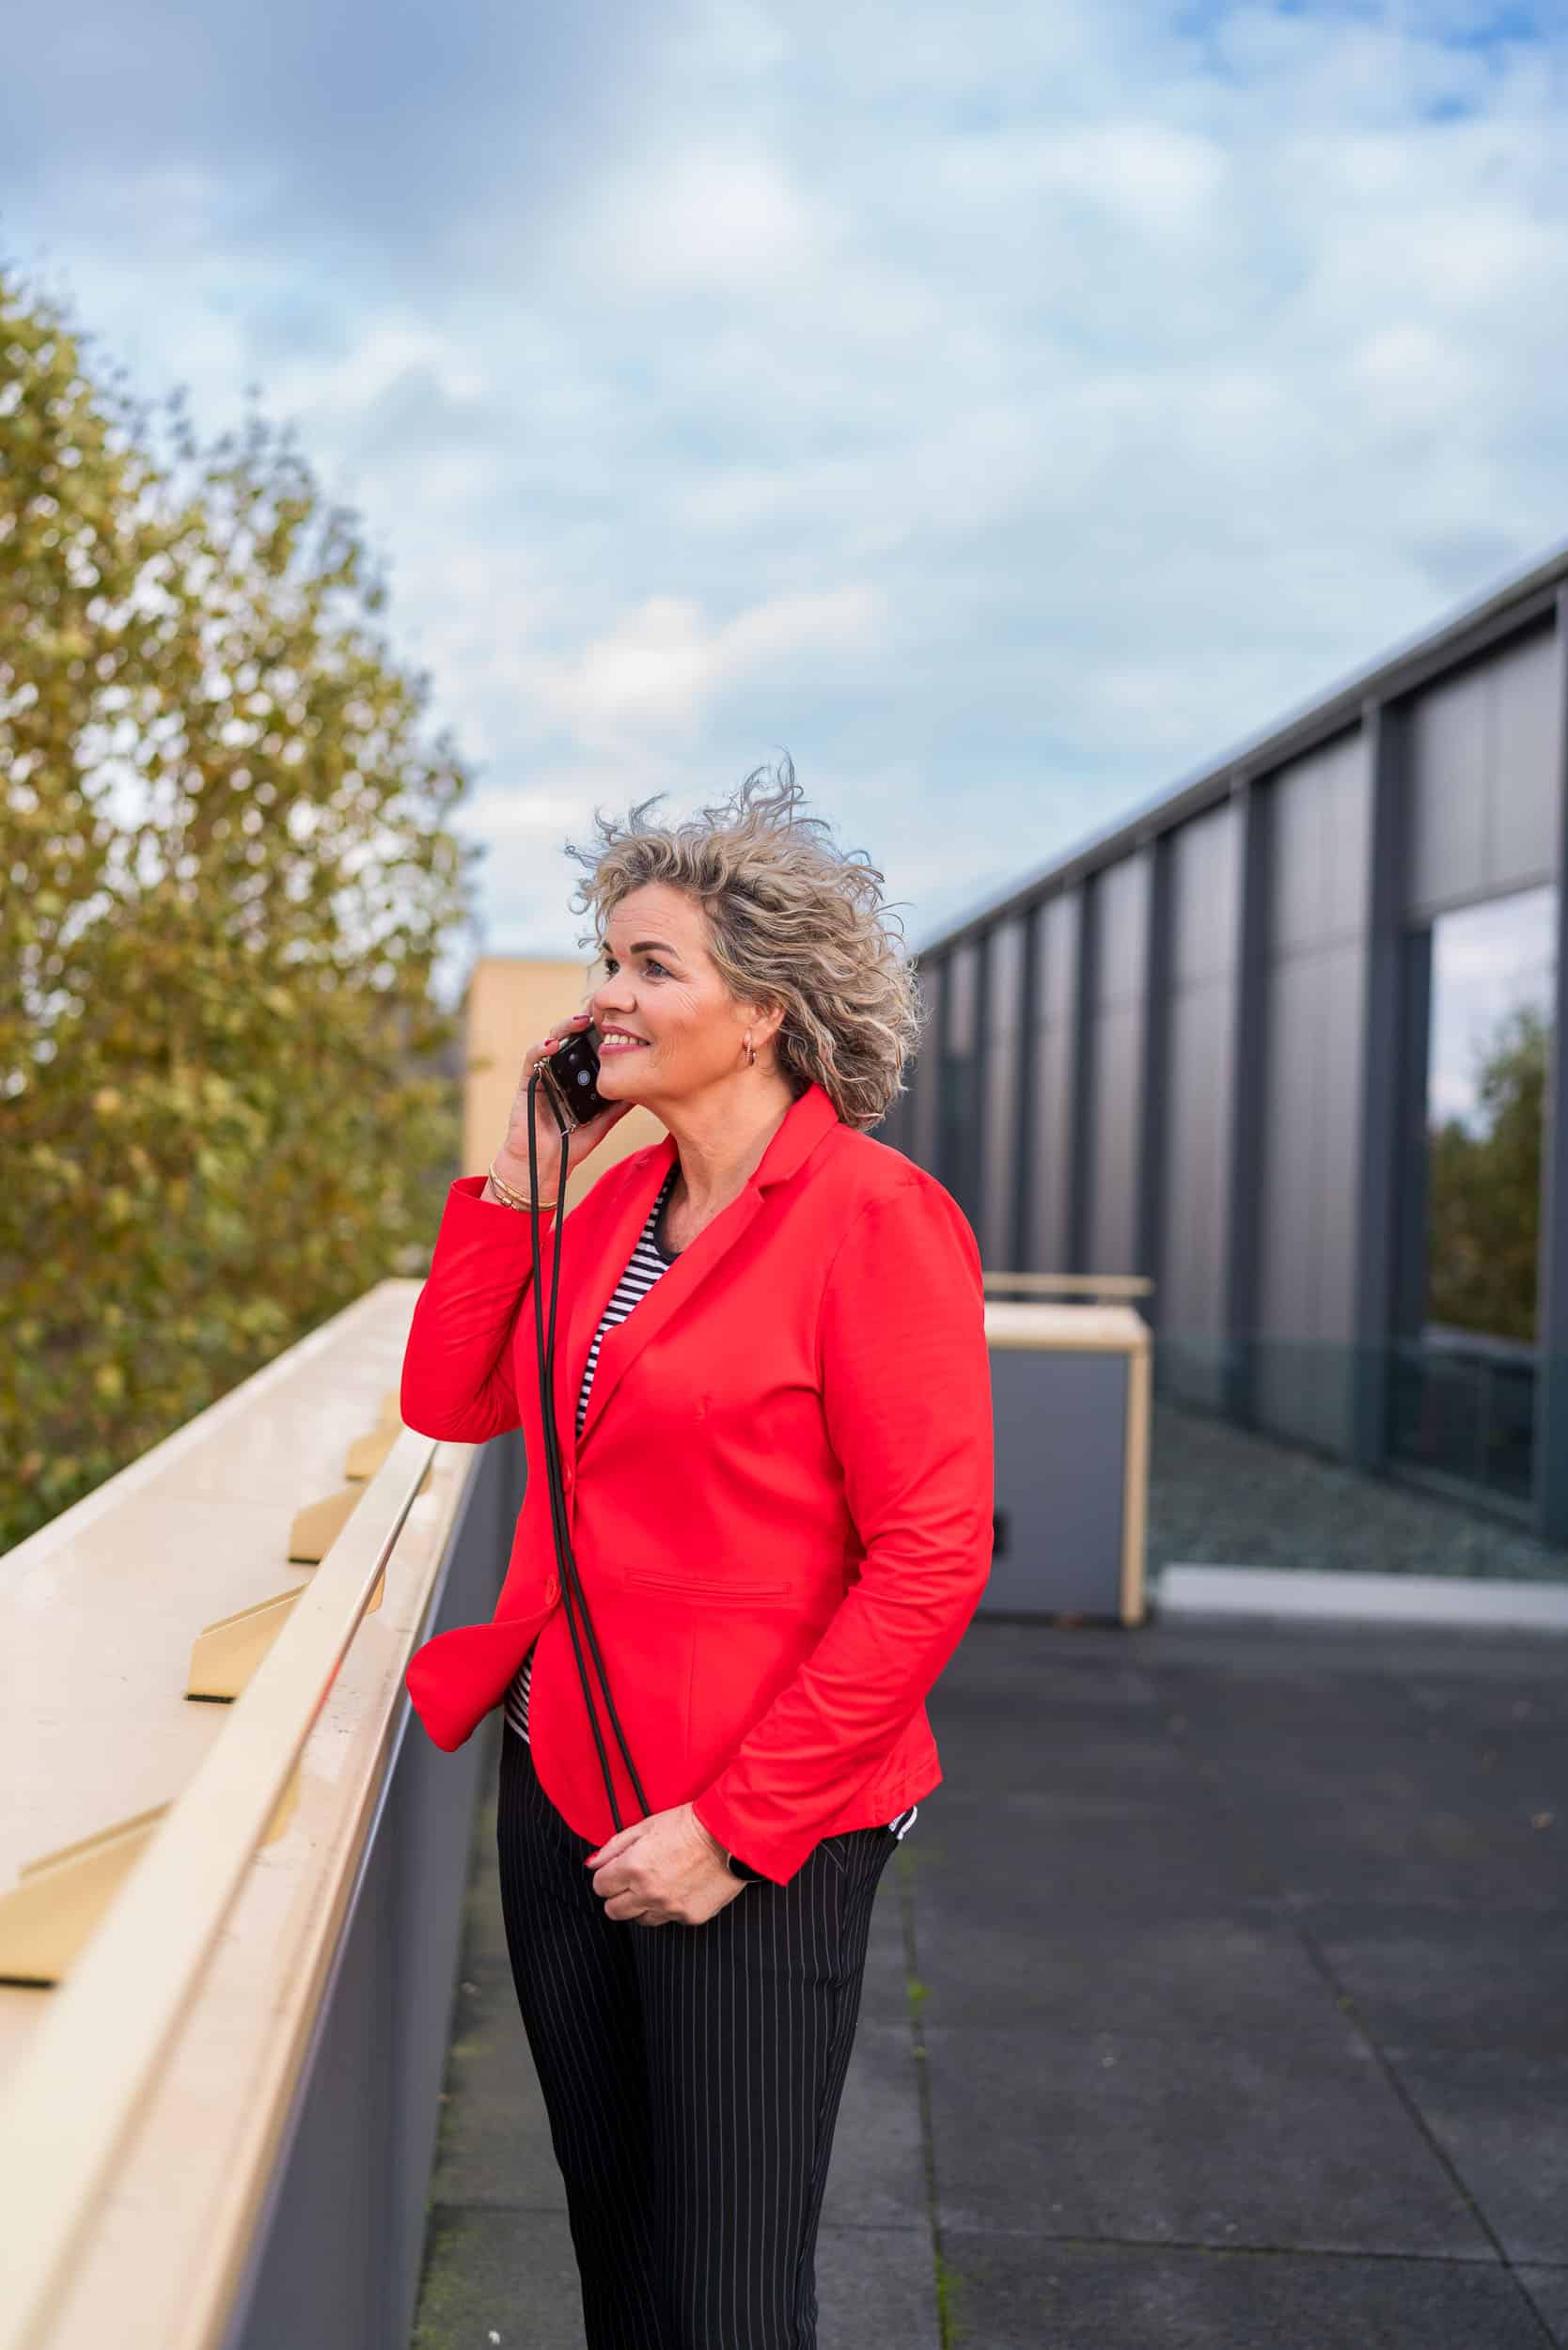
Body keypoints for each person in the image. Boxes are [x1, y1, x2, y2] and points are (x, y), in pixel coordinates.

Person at [400, 760, 994, 2350]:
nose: (606, 994)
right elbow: (450, 1398)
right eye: (607, 958)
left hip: (755, 1827)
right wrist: (520, 1176)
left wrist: (734, 1831)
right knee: (626, 2276)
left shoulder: (875, 1220)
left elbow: (930, 1560)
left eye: (650, 965)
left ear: (766, 1013)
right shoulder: (609, 1209)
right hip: (564, 1788)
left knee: (730, 2300)